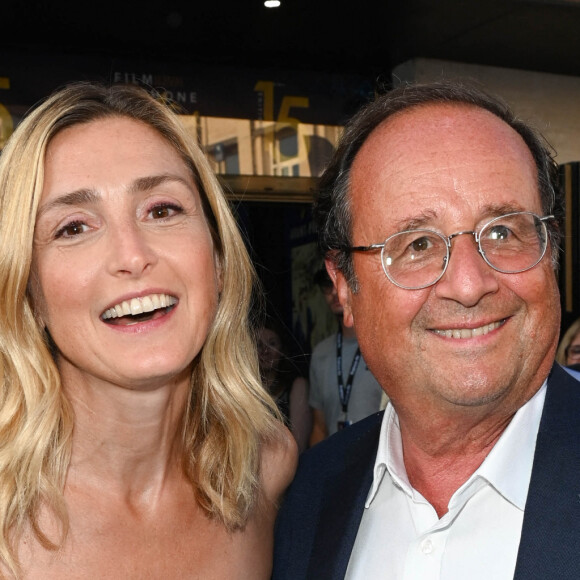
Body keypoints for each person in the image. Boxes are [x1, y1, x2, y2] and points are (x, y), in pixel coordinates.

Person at [273, 81, 580, 579]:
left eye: (502, 232)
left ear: (550, 253)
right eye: (417, 245)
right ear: (344, 289)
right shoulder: (305, 499)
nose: (468, 284)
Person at [0, 81, 297, 578]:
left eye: (163, 210)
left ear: (219, 259)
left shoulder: (265, 468)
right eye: (74, 227)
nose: (133, 256)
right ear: (27, 291)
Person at [308, 268, 384, 444]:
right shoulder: (321, 353)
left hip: (379, 462)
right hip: (336, 463)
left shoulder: (383, 346)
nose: (335, 291)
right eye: (328, 285)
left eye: (341, 281)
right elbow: (319, 427)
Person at [257, 317, 312, 453]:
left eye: (272, 343)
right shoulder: (245, 388)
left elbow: (299, 445)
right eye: (259, 345)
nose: (265, 350)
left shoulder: (297, 386)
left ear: (282, 349)